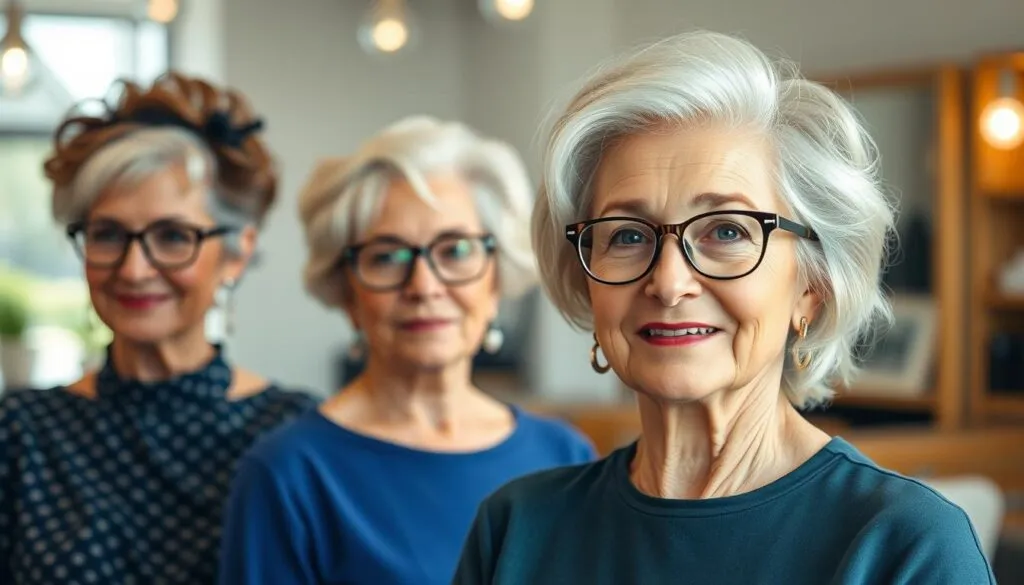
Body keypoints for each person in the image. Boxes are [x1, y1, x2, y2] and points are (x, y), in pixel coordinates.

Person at [452, 31, 996, 584]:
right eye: (626, 236)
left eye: (727, 230)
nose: (668, 282)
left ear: (811, 284)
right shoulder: (516, 528)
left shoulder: (905, 545)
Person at [217, 116, 596, 585]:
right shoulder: (289, 474)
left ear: (496, 277)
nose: (424, 285)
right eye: (387, 256)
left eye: (455, 251)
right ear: (347, 290)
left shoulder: (564, 453)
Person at [0, 72, 318, 585]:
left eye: (173, 236)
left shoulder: (297, 434)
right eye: (107, 234)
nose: (133, 268)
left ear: (238, 253)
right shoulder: (20, 436)